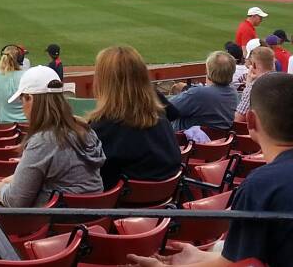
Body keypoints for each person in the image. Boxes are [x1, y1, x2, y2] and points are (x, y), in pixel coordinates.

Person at [128, 73, 293, 266]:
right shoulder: (265, 185)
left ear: (251, 120)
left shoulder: (262, 186)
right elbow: (237, 258)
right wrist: (201, 257)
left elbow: (236, 264)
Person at [0, 66, 105, 206]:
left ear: (29, 98)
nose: (22, 107)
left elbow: (16, 201)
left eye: (22, 99)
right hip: (94, 221)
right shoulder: (85, 129)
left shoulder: (43, 140)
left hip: (58, 224)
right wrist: (17, 179)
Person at [87, 46, 182, 190]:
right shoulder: (161, 117)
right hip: (166, 207)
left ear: (103, 82)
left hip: (121, 208)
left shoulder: (101, 129)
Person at [169, 51, 238, 131]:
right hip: (217, 140)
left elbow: (166, 108)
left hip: (185, 141)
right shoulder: (233, 93)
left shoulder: (198, 94)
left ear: (209, 71)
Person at [234, 46, 276, 124]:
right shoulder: (285, 81)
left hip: (263, 132)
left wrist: (248, 86)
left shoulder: (254, 87)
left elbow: (238, 119)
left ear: (254, 64)